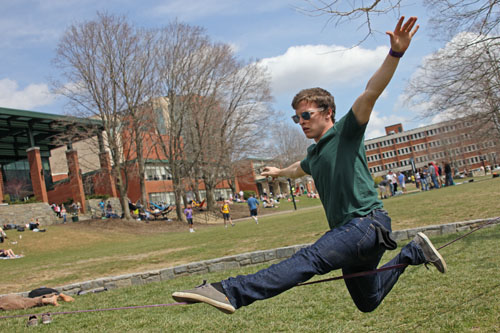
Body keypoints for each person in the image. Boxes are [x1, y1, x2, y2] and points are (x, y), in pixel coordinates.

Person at [172, 17, 447, 315]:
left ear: (327, 112)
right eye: (296, 118)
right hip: (354, 233)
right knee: (368, 300)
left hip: (366, 223)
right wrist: (277, 172)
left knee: (311, 259)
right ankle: (413, 253)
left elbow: (370, 92)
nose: (301, 122)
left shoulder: (346, 131)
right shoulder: (314, 156)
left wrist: (395, 53)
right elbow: (297, 169)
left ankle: (228, 291)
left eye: (305, 115)